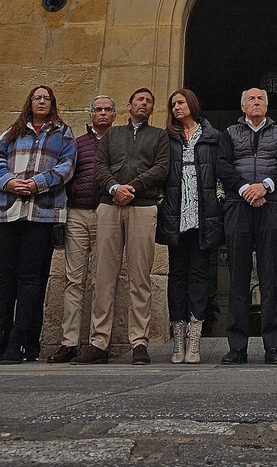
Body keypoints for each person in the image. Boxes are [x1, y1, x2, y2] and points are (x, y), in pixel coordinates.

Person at [0, 86, 76, 364]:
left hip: (41, 214)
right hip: (7, 212)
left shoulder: (63, 133)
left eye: (46, 98)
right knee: (0, 279)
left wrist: (37, 183)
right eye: (36, 97)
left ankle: (19, 344)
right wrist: (9, 181)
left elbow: (67, 166)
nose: (41, 101)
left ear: (52, 103)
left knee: (31, 280)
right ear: (29, 103)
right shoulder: (13, 132)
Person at [76, 88, 169, 366]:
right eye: (140, 99)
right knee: (104, 274)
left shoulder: (159, 135)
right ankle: (98, 343)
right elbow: (99, 166)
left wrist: (134, 187)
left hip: (143, 206)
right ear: (129, 106)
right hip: (109, 205)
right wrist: (115, 187)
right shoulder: (112, 135)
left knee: (141, 277)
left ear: (152, 108)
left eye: (149, 101)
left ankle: (139, 342)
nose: (144, 103)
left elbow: (162, 167)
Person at [219, 87, 277, 366]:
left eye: (261, 98)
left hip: (270, 204)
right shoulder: (229, 134)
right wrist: (244, 189)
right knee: (238, 276)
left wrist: (264, 186)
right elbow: (223, 166)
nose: (257, 102)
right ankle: (237, 347)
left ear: (267, 105)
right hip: (238, 206)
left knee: (270, 275)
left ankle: (272, 347)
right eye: (251, 98)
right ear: (243, 106)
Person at [48, 96, 114, 364]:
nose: (102, 114)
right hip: (77, 213)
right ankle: (69, 341)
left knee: (103, 279)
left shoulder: (118, 142)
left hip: (106, 213)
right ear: (90, 114)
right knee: (74, 280)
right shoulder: (77, 144)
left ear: (114, 114)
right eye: (97, 109)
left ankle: (99, 342)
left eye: (107, 110)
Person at [157, 89, 221, 365]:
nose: (176, 108)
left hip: (203, 215)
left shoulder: (212, 137)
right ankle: (178, 338)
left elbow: (221, 173)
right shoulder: (167, 139)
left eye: (181, 103)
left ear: (193, 104)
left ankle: (195, 339)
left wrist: (219, 199)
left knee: (199, 276)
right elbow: (159, 171)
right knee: (177, 276)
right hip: (175, 215)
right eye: (173, 105)